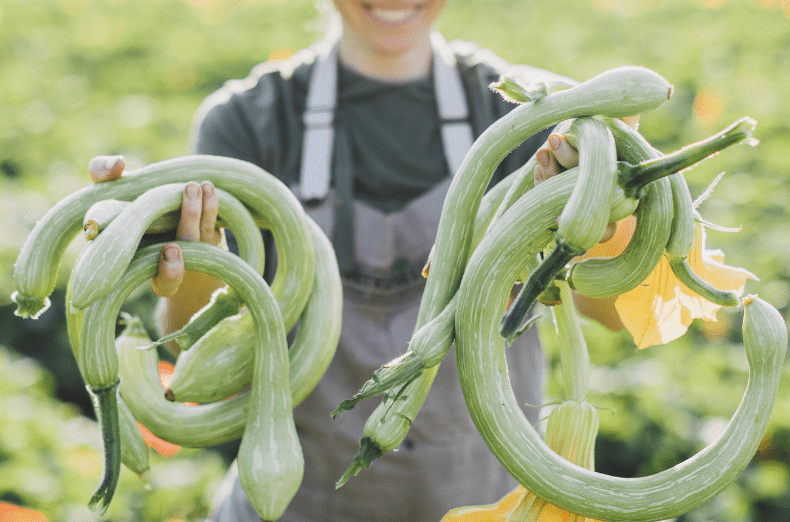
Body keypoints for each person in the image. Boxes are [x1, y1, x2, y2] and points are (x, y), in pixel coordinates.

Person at [90, 1, 623, 520]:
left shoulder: (523, 113)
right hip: (297, 502)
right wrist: (192, 253)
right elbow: (192, 344)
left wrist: (594, 221)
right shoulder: (252, 122)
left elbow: (613, 314)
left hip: (494, 504)